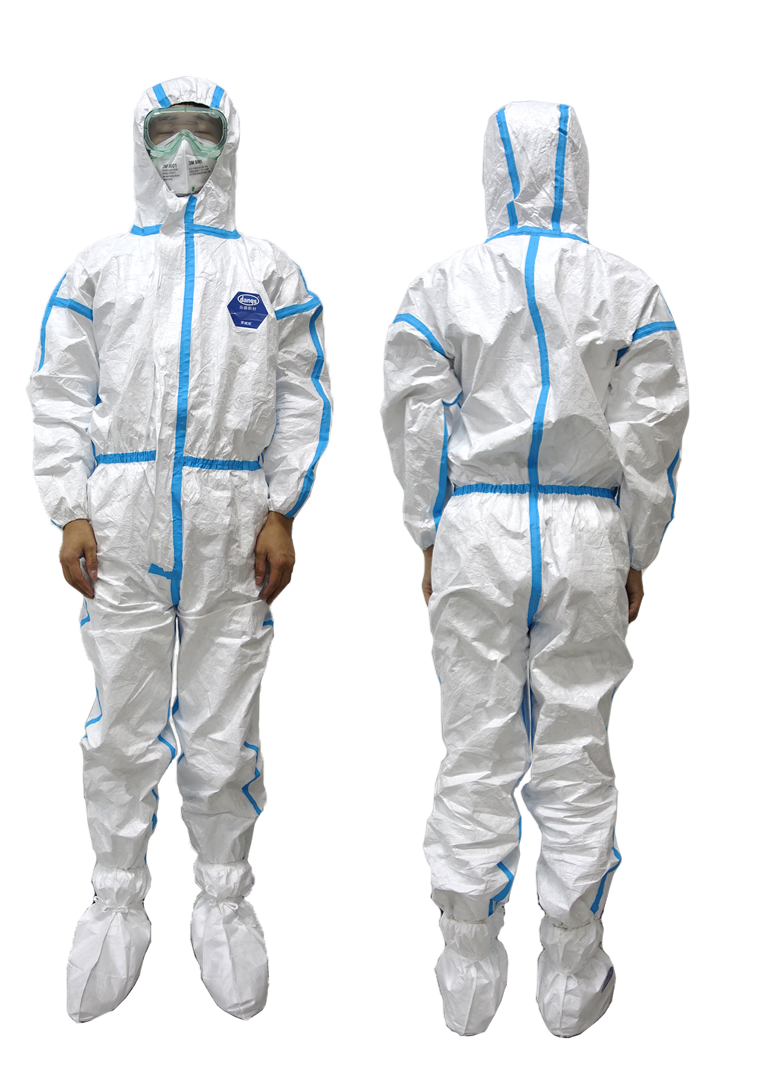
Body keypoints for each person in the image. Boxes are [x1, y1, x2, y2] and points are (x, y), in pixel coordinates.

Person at [26, 76, 333, 1024]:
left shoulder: (269, 271)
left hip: (230, 514)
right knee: (120, 714)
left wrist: (281, 508)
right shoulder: (100, 267)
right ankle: (116, 896)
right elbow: (58, 391)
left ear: (231, 142)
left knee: (224, 714)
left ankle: (223, 895)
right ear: (140, 142)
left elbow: (303, 393)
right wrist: (70, 509)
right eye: (168, 132)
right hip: (121, 512)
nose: (186, 152)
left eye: (204, 132)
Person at [380, 100, 689, 1038]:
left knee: (475, 742)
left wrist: (429, 529)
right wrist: (636, 542)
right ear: (581, 169)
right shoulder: (630, 289)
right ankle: (572, 964)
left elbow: (416, 416)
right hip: (585, 525)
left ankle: (467, 960)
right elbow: (652, 431)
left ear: (488, 171)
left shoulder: (441, 286)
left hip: (476, 526)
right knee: (577, 744)